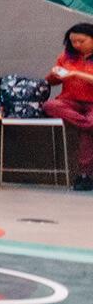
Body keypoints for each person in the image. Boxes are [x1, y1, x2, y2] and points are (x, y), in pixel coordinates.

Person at [43, 23, 93, 191]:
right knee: (50, 105)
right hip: (70, 101)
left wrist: (77, 74)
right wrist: (52, 75)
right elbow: (51, 81)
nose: (77, 45)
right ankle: (87, 124)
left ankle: (84, 174)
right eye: (73, 41)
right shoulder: (66, 56)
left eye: (81, 41)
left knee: (87, 128)